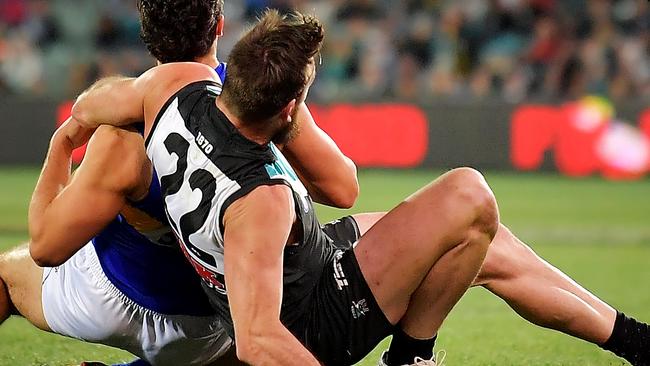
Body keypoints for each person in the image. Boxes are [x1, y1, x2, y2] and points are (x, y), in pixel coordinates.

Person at [70, 5, 650, 366]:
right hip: (317, 318)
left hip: (301, 260)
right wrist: (294, 125)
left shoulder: (165, 98)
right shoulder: (259, 197)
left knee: (483, 240)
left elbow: (97, 100)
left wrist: (71, 129)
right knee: (470, 199)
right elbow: (260, 338)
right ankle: (413, 356)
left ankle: (632, 340)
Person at [0, 2, 358, 366]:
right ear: (219, 26)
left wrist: (61, 145)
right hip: (214, 324)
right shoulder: (255, 99)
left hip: (107, 300)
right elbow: (343, 190)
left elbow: (46, 247)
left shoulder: (123, 134)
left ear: (146, 33)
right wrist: (284, 129)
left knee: (6, 274)